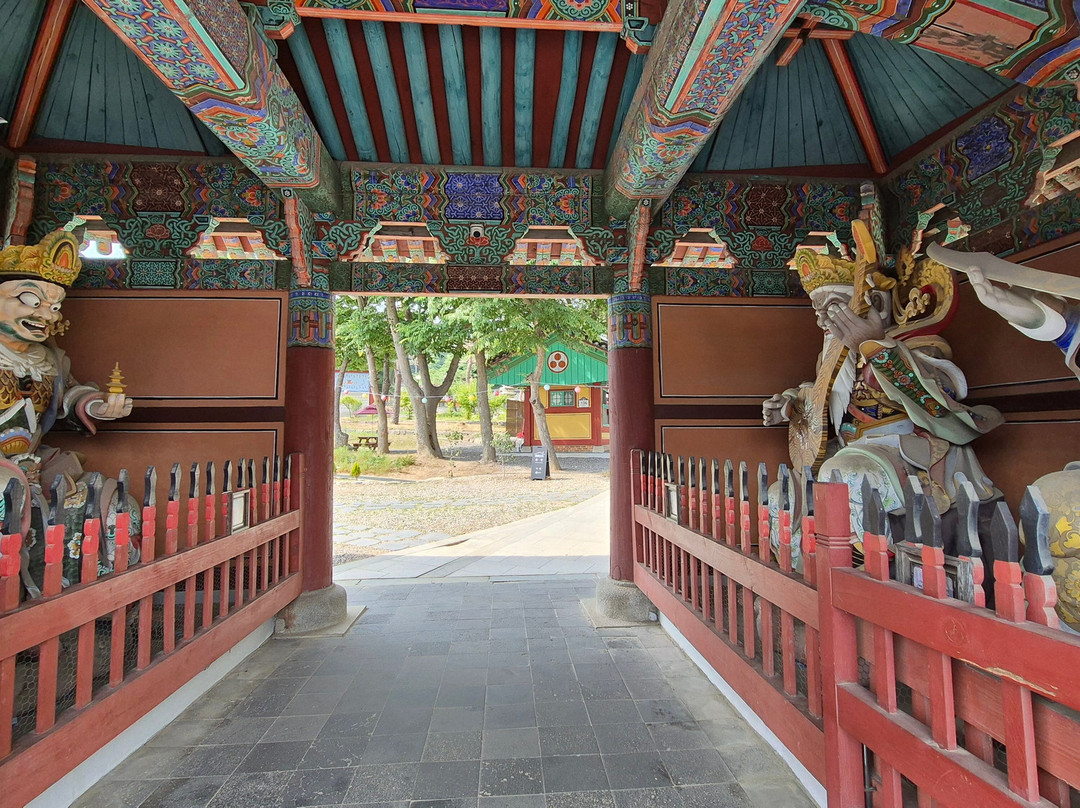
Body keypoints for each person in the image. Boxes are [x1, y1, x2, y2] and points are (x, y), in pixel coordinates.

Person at [764, 222, 1003, 554]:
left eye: (832, 307)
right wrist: (791, 403)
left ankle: (866, 577)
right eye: (818, 311)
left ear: (875, 302)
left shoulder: (921, 345)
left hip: (904, 446)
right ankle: (801, 579)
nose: (822, 320)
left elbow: (936, 397)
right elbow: (822, 393)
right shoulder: (830, 358)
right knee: (781, 493)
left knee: (843, 473)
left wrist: (874, 347)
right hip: (849, 446)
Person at [0, 230, 136, 597]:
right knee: (6, 494)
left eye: (55, 306)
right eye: (30, 299)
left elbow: (70, 396)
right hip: (6, 473)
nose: (45, 314)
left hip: (37, 465)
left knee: (114, 502)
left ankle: (98, 598)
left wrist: (95, 405)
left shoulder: (50, 359)